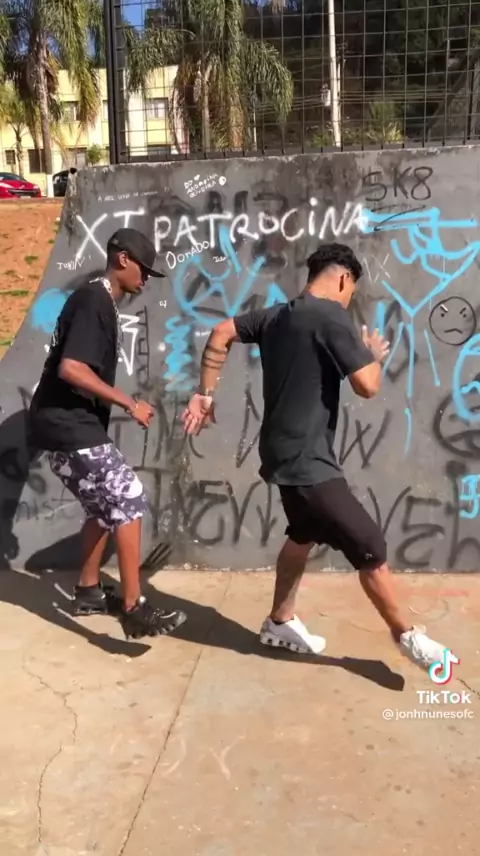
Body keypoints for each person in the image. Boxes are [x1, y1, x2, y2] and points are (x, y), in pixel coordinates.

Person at [181, 242, 451, 672]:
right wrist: (372, 356)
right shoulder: (331, 317)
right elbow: (368, 386)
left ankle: (279, 621)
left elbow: (220, 332)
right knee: (369, 546)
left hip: (280, 451)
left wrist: (205, 394)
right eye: (351, 292)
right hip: (307, 459)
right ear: (343, 279)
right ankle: (407, 636)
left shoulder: (276, 315)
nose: (349, 300)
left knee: (302, 533)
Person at [28, 228, 187, 640]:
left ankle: (88, 590)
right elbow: (71, 368)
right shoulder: (94, 300)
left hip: (64, 424)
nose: (145, 279)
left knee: (103, 508)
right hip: (67, 424)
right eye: (143, 269)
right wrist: (128, 403)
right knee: (128, 497)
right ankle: (134, 608)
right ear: (122, 259)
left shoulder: (100, 302)